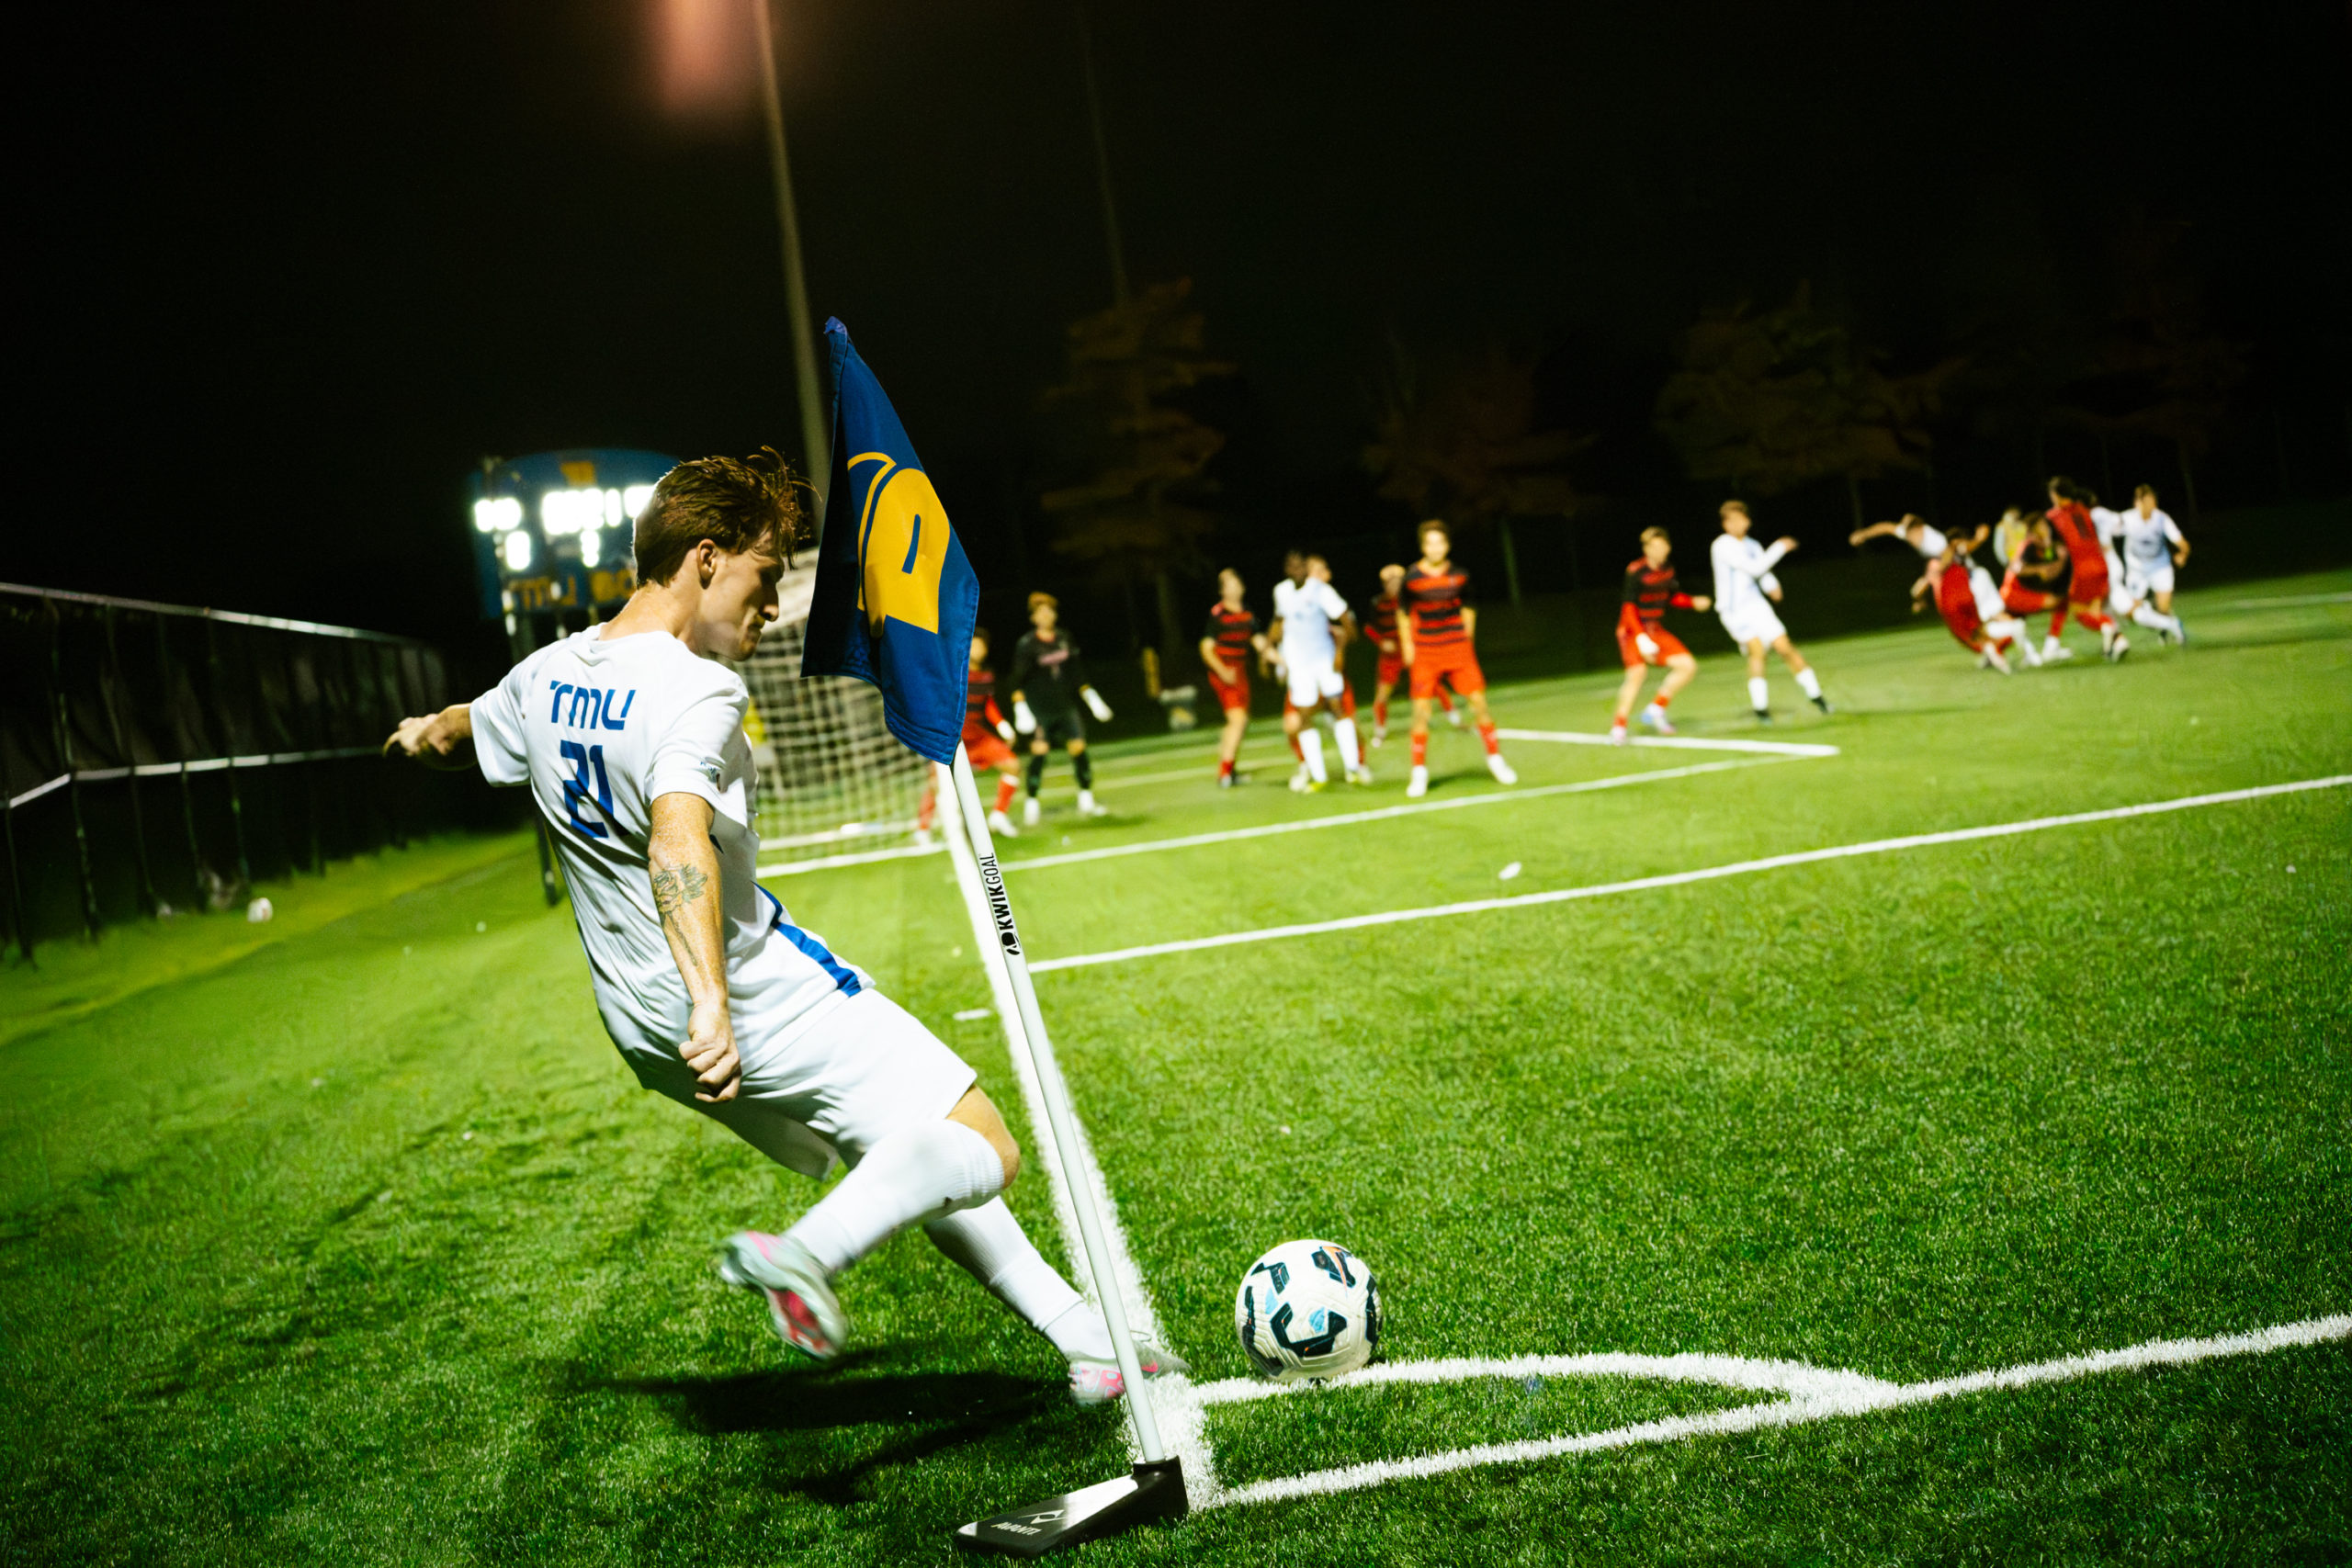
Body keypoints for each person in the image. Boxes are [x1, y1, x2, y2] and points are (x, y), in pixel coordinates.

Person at [381, 450, 1180, 1403]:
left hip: (641, 1024)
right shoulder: (696, 690)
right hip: (744, 992)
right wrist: (714, 1002)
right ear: (705, 558)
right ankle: (800, 1256)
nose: (770, 605)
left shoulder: (542, 675)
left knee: (901, 1150)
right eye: (764, 577)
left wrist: (417, 731)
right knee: (980, 1142)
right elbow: (678, 837)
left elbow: (454, 732)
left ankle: (1086, 1339)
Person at [1397, 520, 1514, 797]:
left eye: (1440, 542)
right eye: (1430, 543)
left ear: (1447, 546)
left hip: (1457, 649)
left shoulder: (1461, 575)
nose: (1435, 548)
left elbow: (1469, 605)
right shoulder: (1411, 578)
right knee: (1421, 712)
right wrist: (1407, 646)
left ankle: (1495, 760)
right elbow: (1403, 612)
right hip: (1426, 651)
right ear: (1423, 546)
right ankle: (1419, 773)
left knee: (1479, 704)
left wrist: (1467, 637)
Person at [1711, 501, 1830, 722]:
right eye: (1729, 520)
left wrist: (1771, 585)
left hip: (1756, 605)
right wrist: (1779, 547)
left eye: (1738, 519)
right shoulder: (1722, 545)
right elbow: (1753, 567)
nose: (1733, 524)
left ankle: (1818, 698)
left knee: (1785, 647)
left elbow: (1761, 570)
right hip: (1734, 611)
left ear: (1747, 521)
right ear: (1724, 524)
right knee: (1758, 652)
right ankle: (1761, 709)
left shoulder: (1753, 545)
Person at [1009, 592, 1114, 824]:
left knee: (1078, 747)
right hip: (1040, 708)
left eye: (1050, 611)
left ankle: (1086, 798)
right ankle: (1032, 803)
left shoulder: (1064, 638)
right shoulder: (1027, 645)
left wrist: (1091, 697)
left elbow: (1076, 672)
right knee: (1040, 752)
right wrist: (1020, 707)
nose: (1047, 616)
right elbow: (1017, 679)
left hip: (1065, 705)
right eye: (1041, 612)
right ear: (1034, 617)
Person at [913, 626, 1023, 842]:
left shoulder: (985, 675)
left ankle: (999, 817)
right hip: (953, 740)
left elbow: (987, 703)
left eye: (982, 646)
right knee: (937, 784)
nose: (978, 649)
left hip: (978, 737)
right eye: (974, 644)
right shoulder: (954, 673)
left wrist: (1002, 725)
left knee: (1012, 765)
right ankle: (922, 828)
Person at [1268, 549, 1366, 791]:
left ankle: (1353, 768)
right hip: (1298, 664)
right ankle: (1318, 775)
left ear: (1306, 567)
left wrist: (1345, 645)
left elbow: (1343, 616)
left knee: (1337, 708)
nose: (1297, 570)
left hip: (1323, 659)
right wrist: (1268, 649)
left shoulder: (1320, 589)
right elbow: (1279, 620)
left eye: (1301, 565)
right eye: (1292, 566)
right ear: (1287, 571)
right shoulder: (1281, 592)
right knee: (1303, 716)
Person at [1611, 526, 1711, 742]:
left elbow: (1671, 597)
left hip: (1654, 628)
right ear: (1646, 549)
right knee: (1637, 674)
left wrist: (1692, 602)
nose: (1658, 550)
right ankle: (1619, 727)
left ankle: (1656, 709)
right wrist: (1640, 637)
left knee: (1687, 666)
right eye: (1652, 546)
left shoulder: (1667, 569)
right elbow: (1628, 607)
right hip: (1631, 629)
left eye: (1661, 545)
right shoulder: (1636, 571)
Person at [1364, 563, 1454, 744]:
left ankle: (1454, 717)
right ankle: (1380, 731)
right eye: (1390, 582)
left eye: (1398, 581)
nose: (1394, 585)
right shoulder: (1378, 603)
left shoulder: (1412, 602)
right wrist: (1382, 642)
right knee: (1382, 695)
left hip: (1413, 650)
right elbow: (1369, 628)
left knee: (1433, 684)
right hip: (1391, 656)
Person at [1921, 527, 2030, 673]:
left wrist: (1978, 539)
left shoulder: (1953, 554)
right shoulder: (1948, 554)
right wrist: (1978, 539)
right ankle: (1994, 653)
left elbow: (1962, 551)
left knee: (1981, 627)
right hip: (1969, 590)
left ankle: (2003, 653)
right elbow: (1954, 556)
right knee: (1980, 628)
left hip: (1971, 588)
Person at [1199, 568, 1270, 787]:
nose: (1235, 585)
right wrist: (1222, 671)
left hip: (1240, 672)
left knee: (1239, 722)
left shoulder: (1247, 612)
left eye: (1236, 580)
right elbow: (1206, 647)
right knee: (1238, 721)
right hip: (1225, 673)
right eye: (1229, 582)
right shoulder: (1218, 614)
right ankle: (1225, 772)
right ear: (1222, 590)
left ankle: (1229, 766)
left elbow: (1260, 643)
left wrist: (1279, 658)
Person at [2044, 477, 2127, 662]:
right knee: (2094, 612)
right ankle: (2118, 642)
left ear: (2056, 495)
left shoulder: (2054, 516)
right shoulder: (2083, 510)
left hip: (2082, 570)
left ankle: (2109, 628)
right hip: (2100, 565)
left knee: (2081, 614)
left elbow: (2050, 544)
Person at [2116, 484, 2190, 643]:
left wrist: (2182, 554)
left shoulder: (2161, 518)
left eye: (2153, 501)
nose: (2152, 505)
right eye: (2147, 502)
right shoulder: (2127, 519)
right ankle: (2161, 620)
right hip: (2136, 570)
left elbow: (2182, 542)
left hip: (2160, 567)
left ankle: (2168, 626)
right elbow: (2107, 530)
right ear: (2138, 503)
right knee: (2132, 613)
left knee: (2163, 608)